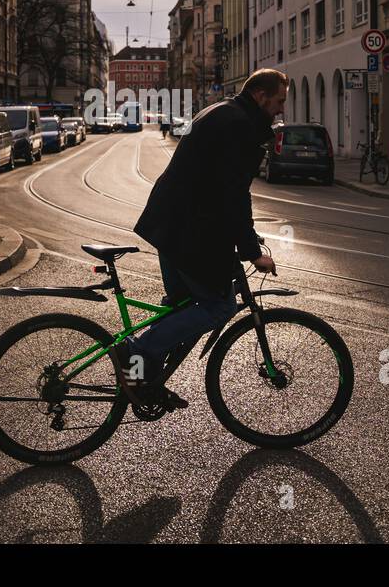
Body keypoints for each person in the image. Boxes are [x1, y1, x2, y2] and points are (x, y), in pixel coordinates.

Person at [124, 68, 289, 407]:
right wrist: (251, 250)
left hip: (173, 223)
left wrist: (247, 236)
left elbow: (220, 187)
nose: (281, 109)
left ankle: (144, 379)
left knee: (183, 304)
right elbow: (232, 194)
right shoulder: (239, 125)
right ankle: (137, 354)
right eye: (279, 101)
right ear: (260, 95)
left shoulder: (227, 112)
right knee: (219, 306)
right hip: (187, 229)